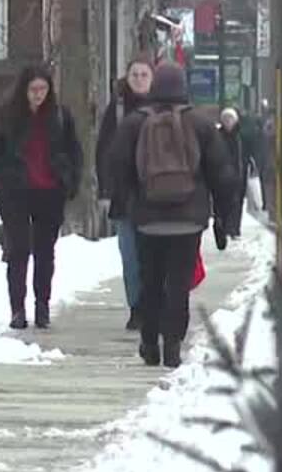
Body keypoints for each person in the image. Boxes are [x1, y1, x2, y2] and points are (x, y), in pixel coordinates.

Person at [103, 65, 242, 368]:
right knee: (178, 282)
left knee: (150, 279)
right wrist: (222, 215)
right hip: (188, 218)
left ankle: (149, 342)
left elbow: (116, 165)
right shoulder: (201, 125)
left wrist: (129, 200)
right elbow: (222, 173)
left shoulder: (134, 124)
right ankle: (174, 344)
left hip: (147, 217)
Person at [0, 65, 84, 330]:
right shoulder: (6, 118)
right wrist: (0, 181)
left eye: (43, 90)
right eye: (34, 90)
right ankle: (17, 308)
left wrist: (69, 180)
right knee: (18, 250)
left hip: (50, 191)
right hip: (16, 193)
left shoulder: (60, 117)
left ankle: (42, 306)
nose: (39, 95)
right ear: (24, 90)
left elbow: (74, 152)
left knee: (45, 251)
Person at [95, 57, 156, 330]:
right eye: (135, 74)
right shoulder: (118, 109)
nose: (140, 79)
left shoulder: (163, 108)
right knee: (130, 256)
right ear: (127, 78)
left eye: (145, 74)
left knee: (153, 255)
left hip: (157, 195)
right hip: (125, 195)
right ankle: (137, 307)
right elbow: (103, 150)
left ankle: (154, 305)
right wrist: (106, 188)